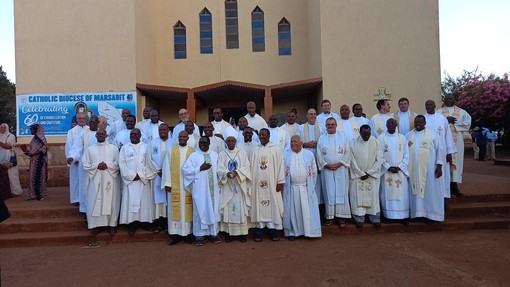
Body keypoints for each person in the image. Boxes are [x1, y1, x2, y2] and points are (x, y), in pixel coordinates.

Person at [182, 136, 221, 246]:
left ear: (209, 143)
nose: (202, 144)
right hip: (200, 189)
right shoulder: (193, 156)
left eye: (205, 142)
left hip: (213, 189)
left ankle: (214, 234)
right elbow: (186, 170)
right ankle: (199, 235)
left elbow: (219, 169)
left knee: (213, 209)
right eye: (200, 142)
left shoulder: (214, 155)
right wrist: (199, 168)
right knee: (200, 209)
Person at [118, 128, 159, 234]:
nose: (134, 136)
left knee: (143, 201)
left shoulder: (146, 147)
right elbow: (121, 163)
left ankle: (145, 222)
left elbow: (149, 163)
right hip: (130, 180)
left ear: (140, 135)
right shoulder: (125, 148)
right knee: (130, 201)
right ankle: (132, 224)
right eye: (132, 134)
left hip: (142, 179)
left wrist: (141, 175)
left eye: (136, 134)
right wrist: (131, 175)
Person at [82, 128, 121, 236]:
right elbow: (85, 163)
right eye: (98, 134)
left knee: (112, 201)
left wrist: (107, 165)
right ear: (96, 136)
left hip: (110, 179)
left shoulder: (114, 149)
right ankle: (95, 226)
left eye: (102, 134)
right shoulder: (90, 150)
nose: (100, 135)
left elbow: (118, 163)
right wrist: (97, 166)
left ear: (106, 135)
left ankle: (112, 225)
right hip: (95, 179)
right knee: (94, 201)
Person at [407, 115, 445, 222]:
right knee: (415, 192)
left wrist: (439, 166)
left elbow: (440, 151)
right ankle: (417, 214)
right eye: (416, 123)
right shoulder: (408, 135)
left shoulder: (433, 135)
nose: (418, 125)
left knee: (430, 192)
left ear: (425, 123)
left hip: (430, 170)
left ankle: (431, 215)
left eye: (420, 123)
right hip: (414, 169)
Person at [282, 135, 321, 240]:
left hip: (305, 187)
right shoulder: (285, 154)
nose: (293, 143)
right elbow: (282, 171)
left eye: (295, 141)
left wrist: (311, 185)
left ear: (301, 142)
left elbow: (313, 171)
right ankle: (292, 232)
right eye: (291, 141)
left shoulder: (309, 154)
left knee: (307, 212)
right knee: (293, 212)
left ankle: (309, 232)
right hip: (291, 188)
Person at [250, 128, 285, 242]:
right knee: (258, 205)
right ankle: (259, 230)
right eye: (260, 135)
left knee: (273, 205)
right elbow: (251, 167)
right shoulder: (255, 150)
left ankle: (272, 230)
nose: (262, 137)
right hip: (257, 184)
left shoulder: (275, 149)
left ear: (269, 136)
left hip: (272, 183)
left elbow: (280, 166)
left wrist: (280, 181)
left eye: (264, 135)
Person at [218, 129, 251, 243]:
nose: (231, 142)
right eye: (228, 141)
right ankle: (229, 233)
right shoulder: (222, 154)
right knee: (228, 208)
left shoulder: (241, 153)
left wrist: (238, 173)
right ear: (226, 142)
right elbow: (219, 169)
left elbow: (247, 166)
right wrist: (225, 173)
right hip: (227, 185)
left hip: (239, 184)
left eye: (232, 141)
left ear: (236, 141)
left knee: (240, 208)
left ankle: (242, 233)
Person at [317, 118, 351, 228]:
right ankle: (330, 217)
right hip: (327, 170)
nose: (330, 126)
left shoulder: (343, 137)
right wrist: (326, 164)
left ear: (336, 125)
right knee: (329, 192)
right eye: (328, 125)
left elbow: (347, 152)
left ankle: (341, 218)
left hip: (340, 169)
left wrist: (340, 163)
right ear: (326, 126)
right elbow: (319, 154)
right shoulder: (322, 138)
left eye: (332, 124)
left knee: (341, 192)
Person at [162, 131, 194, 245]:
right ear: (178, 138)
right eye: (180, 136)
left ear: (188, 138)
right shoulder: (171, 150)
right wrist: (167, 183)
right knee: (174, 209)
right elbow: (166, 167)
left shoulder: (192, 151)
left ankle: (188, 234)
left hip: (187, 186)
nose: (182, 138)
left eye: (184, 136)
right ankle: (175, 235)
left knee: (188, 209)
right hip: (174, 186)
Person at [349, 125, 383, 228]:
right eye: (364, 134)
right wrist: (360, 173)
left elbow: (379, 159)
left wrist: (370, 172)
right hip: (358, 175)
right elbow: (351, 159)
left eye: (368, 134)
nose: (366, 137)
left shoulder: (376, 142)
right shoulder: (353, 142)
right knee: (357, 196)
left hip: (371, 176)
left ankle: (374, 218)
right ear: (359, 132)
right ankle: (359, 218)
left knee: (373, 197)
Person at [378, 119, 410, 224]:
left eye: (393, 123)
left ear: (396, 125)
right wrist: (387, 166)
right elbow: (379, 155)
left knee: (402, 193)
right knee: (386, 193)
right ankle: (388, 215)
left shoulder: (402, 138)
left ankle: (403, 215)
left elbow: (407, 154)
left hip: (400, 171)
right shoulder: (381, 139)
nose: (391, 125)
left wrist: (400, 166)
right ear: (386, 125)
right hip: (387, 171)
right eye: (389, 124)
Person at [440, 94, 472, 196]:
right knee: (444, 162)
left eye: (451, 98)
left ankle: (455, 185)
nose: (449, 100)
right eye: (447, 99)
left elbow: (467, 124)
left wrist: (455, 124)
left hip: (457, 142)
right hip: (443, 142)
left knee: (457, 162)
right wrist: (446, 120)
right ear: (444, 100)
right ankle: (446, 186)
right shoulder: (438, 112)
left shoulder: (462, 112)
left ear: (454, 100)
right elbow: (435, 125)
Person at [424, 100, 456, 199]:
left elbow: (448, 136)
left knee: (443, 174)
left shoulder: (442, 119)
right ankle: (430, 196)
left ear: (435, 106)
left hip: (442, 152)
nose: (429, 106)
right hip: (427, 152)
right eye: (427, 105)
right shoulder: (423, 118)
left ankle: (444, 197)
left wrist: (449, 152)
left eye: (430, 104)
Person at [69, 115, 101, 213]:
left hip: (99, 165)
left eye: (94, 122)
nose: (92, 123)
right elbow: (76, 147)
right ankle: (85, 209)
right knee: (85, 186)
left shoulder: (102, 133)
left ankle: (97, 208)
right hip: (86, 165)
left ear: (97, 123)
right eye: (90, 121)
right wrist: (72, 157)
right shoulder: (83, 134)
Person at [149, 123, 175, 233]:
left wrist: (167, 172)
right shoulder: (152, 143)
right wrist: (157, 170)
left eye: (164, 129)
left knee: (168, 199)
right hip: (157, 175)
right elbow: (149, 159)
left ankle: (167, 223)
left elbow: (176, 159)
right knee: (158, 199)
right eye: (160, 130)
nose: (162, 132)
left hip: (170, 176)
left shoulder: (174, 143)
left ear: (168, 130)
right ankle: (159, 222)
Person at [298, 108, 325, 204]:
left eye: (314, 114)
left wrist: (318, 143)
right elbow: (297, 142)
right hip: (306, 157)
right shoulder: (301, 128)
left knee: (319, 182)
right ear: (307, 116)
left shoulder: (322, 127)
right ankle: (309, 202)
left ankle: (319, 203)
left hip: (319, 157)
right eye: (310, 114)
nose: (313, 116)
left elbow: (325, 141)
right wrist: (305, 144)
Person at [65, 112, 87, 206]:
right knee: (76, 180)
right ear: (77, 119)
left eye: (83, 118)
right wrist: (73, 158)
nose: (82, 120)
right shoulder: (71, 132)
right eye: (80, 118)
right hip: (76, 161)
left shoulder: (89, 130)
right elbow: (69, 146)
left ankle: (85, 198)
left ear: (86, 119)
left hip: (87, 161)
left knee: (85, 181)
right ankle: (76, 199)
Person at [23, 124, 48, 201]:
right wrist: (28, 152)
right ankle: (32, 194)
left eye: (32, 130)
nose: (31, 131)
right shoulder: (35, 138)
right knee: (32, 177)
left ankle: (39, 195)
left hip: (39, 161)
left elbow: (43, 150)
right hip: (34, 160)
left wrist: (32, 153)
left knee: (39, 177)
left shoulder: (41, 138)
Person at [0, 123, 22, 196]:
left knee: (12, 175)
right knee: (3, 176)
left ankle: (15, 191)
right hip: (2, 159)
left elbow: (8, 146)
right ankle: (7, 192)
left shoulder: (10, 136)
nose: (2, 129)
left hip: (9, 158)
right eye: (1, 128)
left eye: (4, 128)